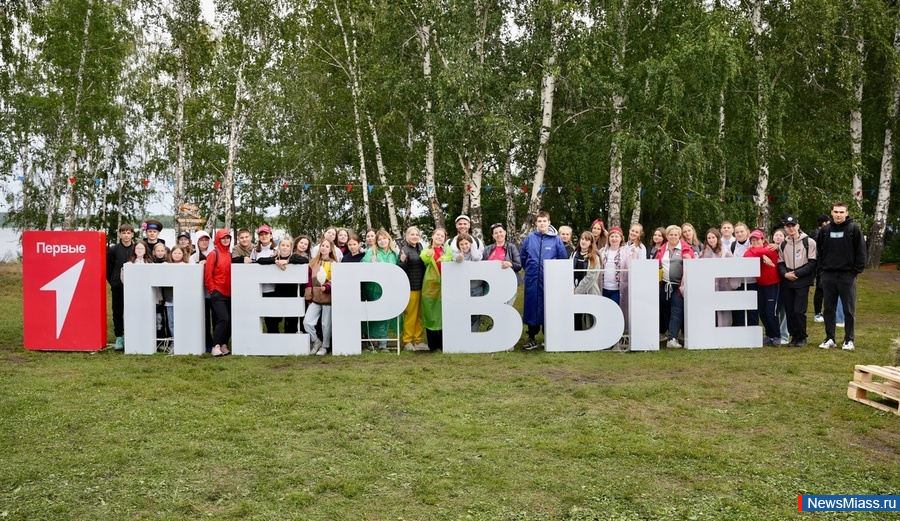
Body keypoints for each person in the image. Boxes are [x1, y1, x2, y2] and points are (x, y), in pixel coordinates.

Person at [817, 202, 866, 351]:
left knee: (848, 310)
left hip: (847, 276)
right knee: (829, 309)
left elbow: (861, 253)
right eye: (836, 212)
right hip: (828, 276)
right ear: (832, 213)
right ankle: (830, 338)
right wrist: (822, 271)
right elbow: (819, 253)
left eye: (841, 212)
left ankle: (848, 340)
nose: (838, 215)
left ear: (847, 213)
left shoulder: (854, 230)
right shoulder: (825, 231)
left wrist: (853, 273)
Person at [520, 211, 569, 350]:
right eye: (539, 221)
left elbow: (562, 259)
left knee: (549, 307)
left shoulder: (556, 240)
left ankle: (550, 337)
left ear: (549, 222)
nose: (542, 223)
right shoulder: (530, 238)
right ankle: (531, 337)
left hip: (550, 281)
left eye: (544, 221)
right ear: (536, 223)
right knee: (532, 306)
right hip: (533, 279)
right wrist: (531, 269)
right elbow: (523, 257)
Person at [777, 214, 817, 347]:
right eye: (788, 226)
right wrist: (785, 274)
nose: (791, 228)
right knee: (789, 311)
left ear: (798, 226)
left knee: (799, 311)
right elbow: (780, 263)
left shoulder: (809, 242)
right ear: (785, 228)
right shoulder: (783, 244)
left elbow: (812, 263)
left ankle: (802, 336)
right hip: (787, 281)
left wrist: (797, 273)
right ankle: (793, 336)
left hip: (802, 281)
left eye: (793, 225)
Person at [257, 235, 309, 334]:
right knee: (274, 318)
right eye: (283, 245)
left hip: (293, 292)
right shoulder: (275, 257)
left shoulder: (294, 257)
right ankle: (274, 337)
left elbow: (305, 260)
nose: (285, 247)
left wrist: (287, 261)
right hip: (279, 292)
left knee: (291, 320)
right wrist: (275, 261)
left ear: (291, 247)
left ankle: (290, 338)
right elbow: (260, 260)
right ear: (279, 247)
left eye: (287, 246)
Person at [655, 225, 694, 348]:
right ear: (667, 236)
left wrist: (689, 259)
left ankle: (672, 339)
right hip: (665, 285)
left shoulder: (685, 249)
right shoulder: (662, 249)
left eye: (675, 235)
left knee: (676, 311)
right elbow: (656, 265)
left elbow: (693, 266)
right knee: (666, 310)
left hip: (679, 286)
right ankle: (672, 334)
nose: (673, 237)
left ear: (679, 236)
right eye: (671, 234)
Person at [362, 229, 400, 350]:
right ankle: (372, 342)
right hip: (374, 289)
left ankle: (383, 344)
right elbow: (362, 265)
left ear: (389, 239)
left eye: (384, 238)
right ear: (376, 242)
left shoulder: (394, 253)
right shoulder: (372, 252)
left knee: (386, 316)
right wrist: (371, 264)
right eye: (379, 239)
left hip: (389, 289)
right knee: (375, 315)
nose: (382, 241)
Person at [744, 230, 781, 345]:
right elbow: (746, 255)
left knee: (771, 312)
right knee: (762, 312)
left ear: (763, 240)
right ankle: (769, 335)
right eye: (752, 240)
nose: (755, 242)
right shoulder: (757, 251)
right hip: (760, 284)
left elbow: (754, 252)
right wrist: (762, 255)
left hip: (772, 285)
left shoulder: (770, 248)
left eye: (757, 240)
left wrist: (757, 252)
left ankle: (777, 335)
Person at [420, 228, 454, 351]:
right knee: (431, 313)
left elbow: (451, 257)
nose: (439, 237)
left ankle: (443, 343)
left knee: (443, 313)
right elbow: (423, 258)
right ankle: (433, 345)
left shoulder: (447, 250)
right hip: (431, 286)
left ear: (444, 239)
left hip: (445, 285)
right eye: (437, 235)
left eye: (442, 236)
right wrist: (428, 256)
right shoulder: (427, 250)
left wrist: (445, 259)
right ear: (432, 236)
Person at [304, 238, 338, 355]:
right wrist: (308, 294)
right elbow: (308, 280)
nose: (324, 248)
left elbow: (336, 279)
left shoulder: (334, 264)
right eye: (322, 245)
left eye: (327, 246)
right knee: (307, 322)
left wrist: (328, 286)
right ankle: (316, 341)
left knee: (325, 324)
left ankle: (325, 346)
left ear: (331, 249)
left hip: (328, 298)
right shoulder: (313, 262)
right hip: (315, 298)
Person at [204, 230, 233, 356]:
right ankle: (215, 345)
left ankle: (223, 344)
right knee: (223, 318)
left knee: (230, 319)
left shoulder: (230, 254)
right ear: (218, 239)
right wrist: (213, 290)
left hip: (230, 293)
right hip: (218, 292)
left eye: (228, 238)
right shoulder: (213, 254)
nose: (226, 240)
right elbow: (208, 274)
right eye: (223, 238)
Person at [107, 224, 135, 351]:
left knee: (133, 310)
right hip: (118, 286)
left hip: (134, 286)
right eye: (124, 233)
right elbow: (109, 267)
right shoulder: (114, 249)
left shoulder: (136, 248)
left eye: (128, 233)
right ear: (120, 234)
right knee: (117, 311)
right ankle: (119, 336)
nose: (126, 235)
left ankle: (132, 334)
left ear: (132, 234)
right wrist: (113, 281)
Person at [398, 227, 427, 351]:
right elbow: (400, 269)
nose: (415, 236)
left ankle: (418, 340)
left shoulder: (421, 248)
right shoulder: (404, 250)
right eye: (412, 234)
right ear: (407, 236)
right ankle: (407, 341)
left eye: (417, 234)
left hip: (422, 286)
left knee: (420, 315)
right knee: (411, 315)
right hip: (411, 287)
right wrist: (402, 261)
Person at [482, 222, 523, 306]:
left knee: (507, 308)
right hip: (491, 284)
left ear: (505, 232)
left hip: (508, 284)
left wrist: (510, 264)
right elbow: (482, 266)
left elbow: (519, 265)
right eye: (496, 233)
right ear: (493, 236)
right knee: (492, 308)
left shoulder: (512, 247)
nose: (499, 234)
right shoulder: (487, 249)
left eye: (500, 232)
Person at [701, 228, 735, 327]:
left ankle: (723, 328)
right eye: (709, 238)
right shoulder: (703, 253)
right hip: (708, 285)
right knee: (709, 308)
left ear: (717, 238)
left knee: (723, 308)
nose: (711, 240)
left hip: (722, 284)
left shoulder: (725, 252)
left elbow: (733, 266)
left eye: (713, 237)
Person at [453, 233, 484, 332]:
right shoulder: (456, 253)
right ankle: (464, 332)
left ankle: (473, 332)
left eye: (466, 243)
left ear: (470, 243)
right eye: (461, 244)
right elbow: (456, 259)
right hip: (463, 289)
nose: (464, 246)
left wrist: (473, 247)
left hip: (476, 288)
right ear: (458, 245)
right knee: (463, 312)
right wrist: (459, 257)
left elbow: (477, 258)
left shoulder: (476, 252)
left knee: (475, 312)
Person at [730, 222, 757, 327]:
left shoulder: (752, 244)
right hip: (738, 282)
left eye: (742, 231)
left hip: (752, 281)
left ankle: (752, 328)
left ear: (747, 232)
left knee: (752, 307)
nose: (739, 234)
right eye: (737, 232)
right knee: (739, 308)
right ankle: (739, 328)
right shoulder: (733, 245)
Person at [572, 231, 600, 331]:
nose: (583, 241)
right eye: (582, 239)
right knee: (576, 315)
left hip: (589, 290)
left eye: (587, 240)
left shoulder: (594, 257)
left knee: (589, 316)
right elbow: (568, 271)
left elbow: (591, 276)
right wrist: (571, 286)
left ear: (591, 243)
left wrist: (578, 290)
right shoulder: (574, 254)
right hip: (573, 289)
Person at [810, 214, 830, 322]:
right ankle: (817, 313)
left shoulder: (826, 232)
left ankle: (826, 312)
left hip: (825, 265)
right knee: (820, 289)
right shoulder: (817, 234)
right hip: (820, 266)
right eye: (827, 222)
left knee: (826, 290)